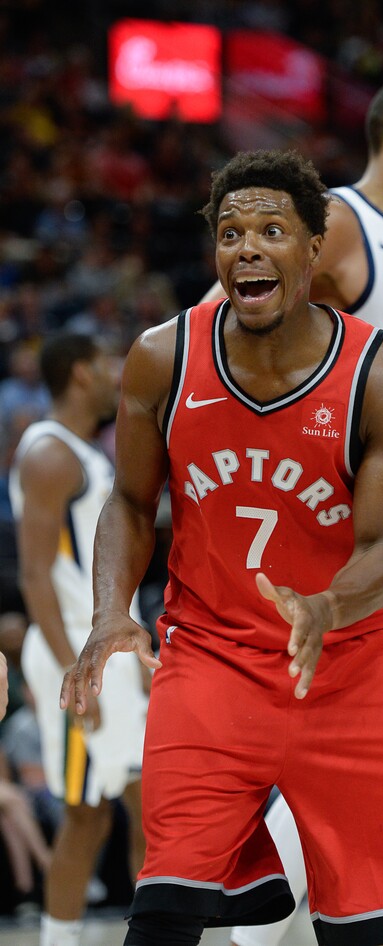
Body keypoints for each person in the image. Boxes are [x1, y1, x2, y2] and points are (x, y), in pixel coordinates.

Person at [60, 149, 383, 946]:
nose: (247, 247)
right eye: (231, 232)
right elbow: (133, 501)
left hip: (353, 668)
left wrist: (327, 604)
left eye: (272, 230)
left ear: (315, 247)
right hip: (211, 662)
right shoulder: (161, 357)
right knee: (164, 915)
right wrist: (112, 610)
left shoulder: (381, 381)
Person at [199, 74, 383, 946]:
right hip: (358, 519)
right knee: (346, 763)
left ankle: (356, 918)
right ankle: (260, 933)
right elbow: (218, 324)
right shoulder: (345, 225)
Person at [9, 333, 149, 946]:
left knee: (92, 815)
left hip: (103, 653)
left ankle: (63, 939)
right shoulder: (48, 454)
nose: (114, 371)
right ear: (77, 374)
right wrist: (77, 671)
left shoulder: (81, 452)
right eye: (102, 363)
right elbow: (35, 574)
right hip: (79, 655)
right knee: (146, 807)